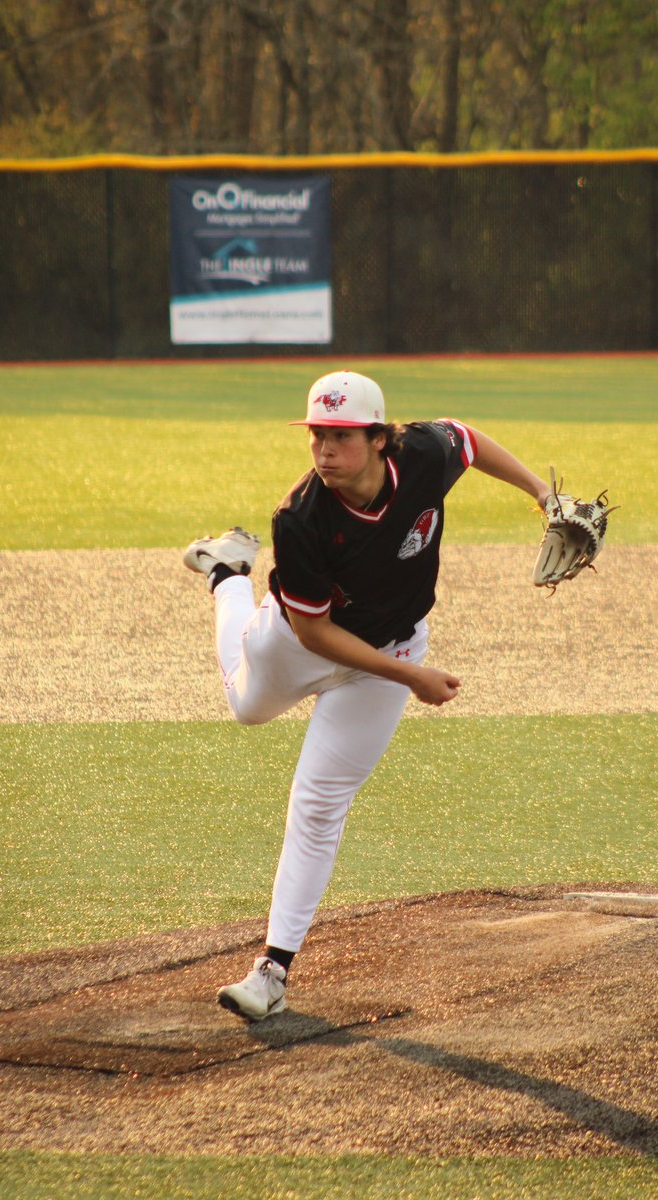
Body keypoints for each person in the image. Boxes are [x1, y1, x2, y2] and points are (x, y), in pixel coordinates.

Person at [184, 369, 551, 1021]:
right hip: (299, 641)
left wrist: (544, 496)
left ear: (381, 438)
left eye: (341, 436)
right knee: (246, 707)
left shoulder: (423, 455)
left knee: (319, 802)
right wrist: (412, 679)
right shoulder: (299, 520)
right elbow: (317, 632)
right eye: (317, 435)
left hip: (392, 648)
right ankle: (227, 575)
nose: (325, 450)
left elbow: (467, 438)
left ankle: (271, 971)